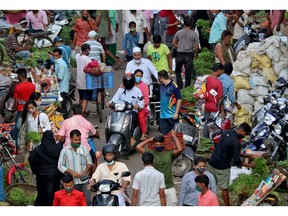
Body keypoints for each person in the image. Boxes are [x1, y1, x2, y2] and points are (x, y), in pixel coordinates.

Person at [207, 123, 255, 206]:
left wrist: (245, 155)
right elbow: (237, 162)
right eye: (245, 134)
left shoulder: (226, 132)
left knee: (210, 185)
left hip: (212, 162)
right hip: (222, 167)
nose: (244, 136)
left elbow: (228, 149)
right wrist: (250, 165)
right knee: (224, 188)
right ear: (241, 131)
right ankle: (227, 206)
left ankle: (207, 203)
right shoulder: (236, 142)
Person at [136, 131, 183, 206]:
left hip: (169, 186)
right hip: (156, 188)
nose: (159, 146)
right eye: (157, 144)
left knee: (173, 205)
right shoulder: (151, 153)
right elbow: (138, 147)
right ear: (154, 145)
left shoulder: (169, 153)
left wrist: (174, 136)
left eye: (160, 144)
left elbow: (180, 149)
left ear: (163, 144)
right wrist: (149, 140)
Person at [57, 103, 100, 174]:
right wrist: (97, 136)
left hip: (68, 146)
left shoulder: (66, 122)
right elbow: (95, 133)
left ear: (72, 112)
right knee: (94, 161)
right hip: (84, 146)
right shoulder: (87, 122)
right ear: (82, 111)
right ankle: (92, 179)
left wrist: (65, 140)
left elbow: (59, 137)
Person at [105, 73, 144, 145]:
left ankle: (132, 137)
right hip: (120, 111)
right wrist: (109, 103)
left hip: (132, 111)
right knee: (110, 117)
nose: (128, 83)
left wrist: (138, 106)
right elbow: (114, 99)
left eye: (129, 82)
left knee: (129, 118)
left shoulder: (138, 91)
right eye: (126, 82)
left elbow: (141, 102)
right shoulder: (120, 90)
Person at [58, 129, 93, 206]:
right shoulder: (65, 151)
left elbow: (89, 163)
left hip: (84, 182)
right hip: (71, 183)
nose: (78, 142)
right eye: (75, 140)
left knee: (87, 201)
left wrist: (84, 172)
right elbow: (60, 165)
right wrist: (71, 172)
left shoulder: (84, 149)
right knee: (72, 203)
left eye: (79, 139)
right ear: (70, 139)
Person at [28, 130, 63, 206]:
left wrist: (35, 170)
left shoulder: (38, 149)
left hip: (41, 176)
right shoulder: (58, 149)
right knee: (52, 195)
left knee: (41, 193)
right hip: (54, 176)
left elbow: (31, 159)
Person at [12, 68, 35, 154]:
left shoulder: (18, 87)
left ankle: (18, 149)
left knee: (18, 129)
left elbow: (16, 101)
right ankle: (29, 146)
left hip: (21, 110)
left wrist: (15, 109)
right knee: (29, 128)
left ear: (20, 76)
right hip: (30, 110)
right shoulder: (32, 86)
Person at [172, 16, 199, 89]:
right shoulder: (194, 34)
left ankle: (179, 85)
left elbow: (174, 43)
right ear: (191, 23)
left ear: (184, 23)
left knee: (177, 71)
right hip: (189, 54)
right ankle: (187, 87)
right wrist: (196, 54)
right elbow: (196, 47)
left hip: (180, 53)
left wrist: (180, 46)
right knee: (188, 72)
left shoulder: (178, 32)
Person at [158, 70, 182, 135]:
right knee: (165, 135)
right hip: (162, 116)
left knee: (174, 135)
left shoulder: (174, 86)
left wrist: (176, 113)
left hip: (172, 115)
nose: (158, 79)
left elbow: (179, 99)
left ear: (162, 78)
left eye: (159, 78)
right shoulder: (161, 86)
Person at [53, 48, 71, 119]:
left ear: (60, 55)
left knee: (62, 105)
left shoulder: (61, 64)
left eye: (56, 56)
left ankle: (64, 120)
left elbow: (60, 77)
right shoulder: (57, 62)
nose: (55, 57)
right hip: (59, 87)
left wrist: (52, 81)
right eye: (54, 56)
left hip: (62, 87)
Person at [75, 43, 92, 117]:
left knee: (81, 98)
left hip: (79, 81)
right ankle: (81, 114)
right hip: (85, 81)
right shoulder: (87, 59)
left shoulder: (77, 56)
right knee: (85, 98)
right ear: (87, 50)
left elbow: (78, 53)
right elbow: (92, 67)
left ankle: (81, 112)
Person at [134, 69, 149, 141]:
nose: (138, 77)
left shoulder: (144, 85)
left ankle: (144, 133)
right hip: (131, 106)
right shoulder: (130, 84)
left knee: (140, 115)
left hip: (142, 107)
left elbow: (146, 100)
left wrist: (140, 105)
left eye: (140, 76)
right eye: (137, 76)